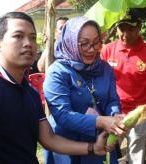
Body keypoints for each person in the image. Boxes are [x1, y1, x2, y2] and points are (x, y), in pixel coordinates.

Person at [0, 12, 112, 163]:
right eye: (18, 36)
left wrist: (92, 147)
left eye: (32, 37)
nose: (28, 43)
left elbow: (49, 139)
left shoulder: (30, 92)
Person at [43, 16, 128, 164]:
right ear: (70, 42)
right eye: (84, 44)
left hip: (101, 140)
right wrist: (102, 121)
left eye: (96, 43)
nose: (92, 50)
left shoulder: (104, 68)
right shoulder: (57, 72)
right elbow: (63, 115)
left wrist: (114, 118)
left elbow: (112, 99)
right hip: (67, 146)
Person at [101, 12, 146, 164]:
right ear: (116, 29)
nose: (125, 33)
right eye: (122, 28)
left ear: (139, 28)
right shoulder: (107, 50)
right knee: (106, 153)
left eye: (130, 28)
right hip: (113, 113)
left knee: (136, 157)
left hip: (139, 115)